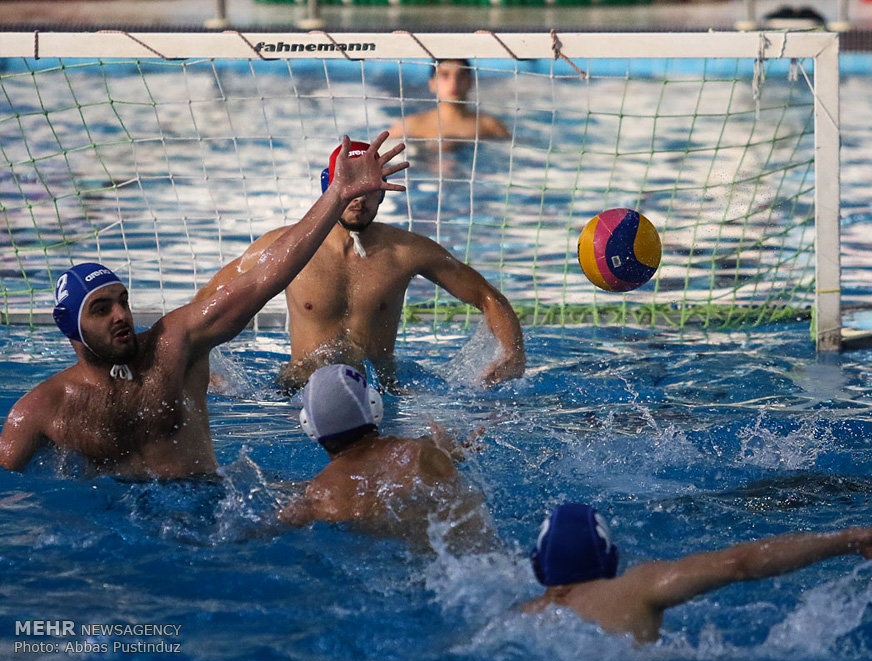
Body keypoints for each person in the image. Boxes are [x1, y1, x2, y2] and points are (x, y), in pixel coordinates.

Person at [0, 133, 407, 478]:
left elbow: (264, 278)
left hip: (208, 504)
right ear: (68, 325)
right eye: (101, 309)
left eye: (122, 302)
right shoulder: (40, 411)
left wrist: (337, 195)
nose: (121, 315)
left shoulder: (173, 344)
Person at [195, 139, 525, 393]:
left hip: (382, 392)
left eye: (368, 188)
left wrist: (512, 356)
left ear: (382, 192)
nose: (359, 198)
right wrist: (200, 365)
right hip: (298, 391)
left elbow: (486, 296)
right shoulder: (284, 248)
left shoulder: (407, 251)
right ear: (330, 188)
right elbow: (209, 298)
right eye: (351, 185)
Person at [522, 503, 872, 644]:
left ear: (538, 566)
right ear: (610, 560)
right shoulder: (638, 589)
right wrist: (851, 538)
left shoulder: (519, 617)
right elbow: (740, 563)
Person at [278, 364, 492, 551]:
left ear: (309, 425)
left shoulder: (320, 495)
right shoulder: (420, 452)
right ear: (374, 405)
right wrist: (446, 453)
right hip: (469, 554)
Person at [388, 59, 510, 140]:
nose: (454, 83)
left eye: (460, 76)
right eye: (445, 75)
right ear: (432, 84)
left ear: (470, 82)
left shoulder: (489, 126)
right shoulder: (409, 126)